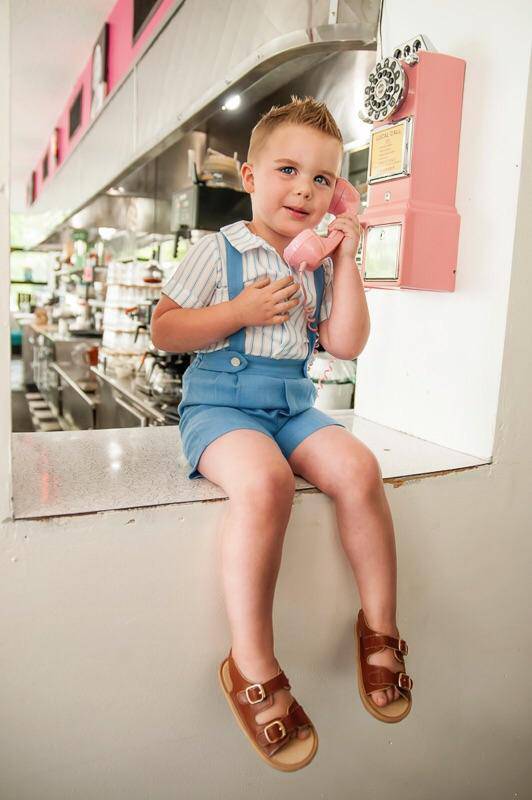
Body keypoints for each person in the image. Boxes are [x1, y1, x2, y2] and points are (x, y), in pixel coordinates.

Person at [151, 95, 413, 772]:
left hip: (292, 408)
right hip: (220, 409)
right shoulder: (218, 250)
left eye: (322, 179)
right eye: (288, 170)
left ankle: (379, 628)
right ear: (249, 176)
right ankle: (252, 663)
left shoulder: (317, 264)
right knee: (265, 482)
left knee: (358, 469)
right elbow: (165, 327)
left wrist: (345, 257)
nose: (304, 189)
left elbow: (347, 344)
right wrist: (237, 311)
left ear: (338, 192)